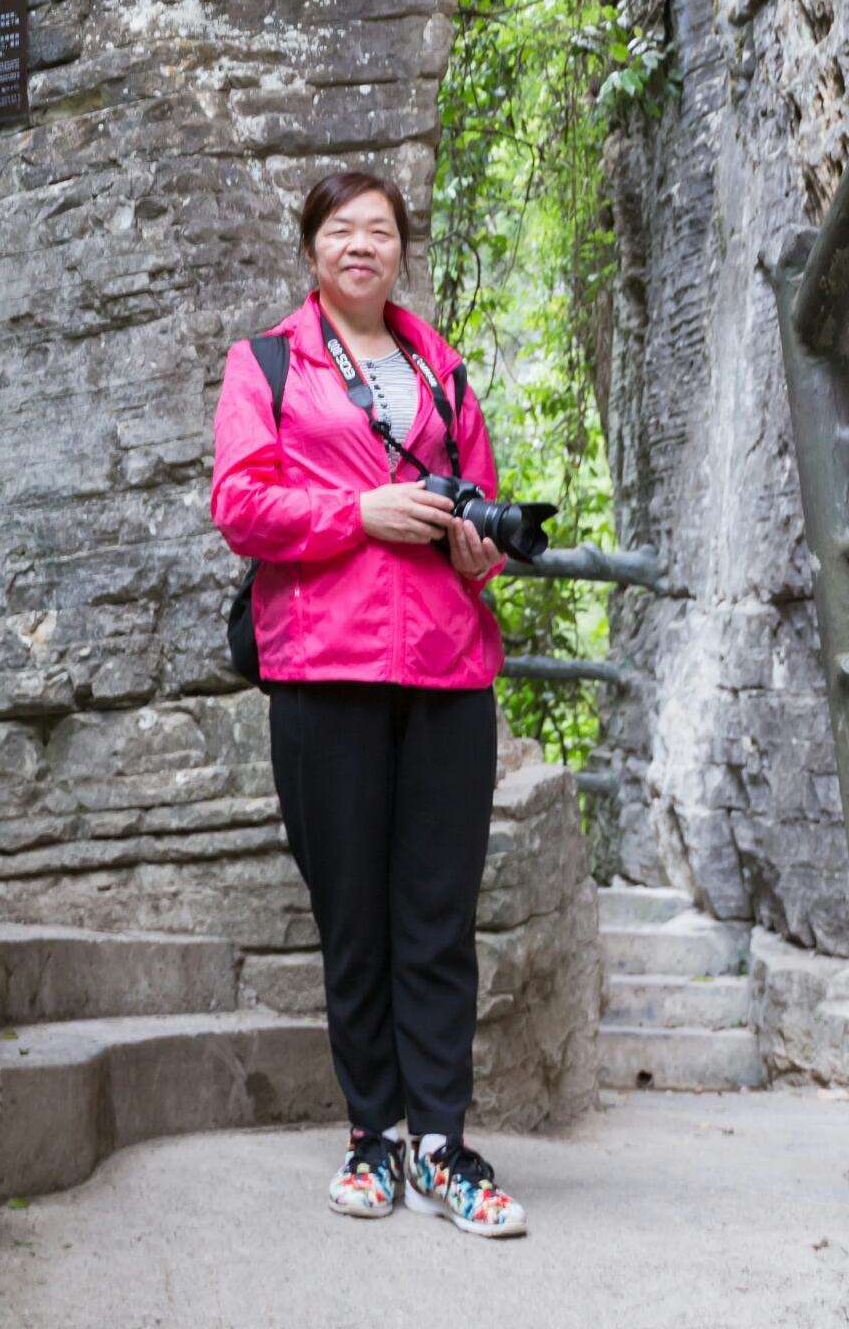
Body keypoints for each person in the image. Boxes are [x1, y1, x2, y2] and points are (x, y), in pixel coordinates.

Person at [210, 166, 528, 1240]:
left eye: (380, 231)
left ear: (400, 251)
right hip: (322, 670)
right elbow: (239, 502)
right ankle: (369, 1138)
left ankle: (440, 1141)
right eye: (341, 231)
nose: (362, 246)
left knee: (434, 919)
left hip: (444, 667)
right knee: (352, 917)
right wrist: (359, 512)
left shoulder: (441, 369)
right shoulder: (262, 364)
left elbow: (470, 519)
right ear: (311, 252)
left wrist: (478, 547)